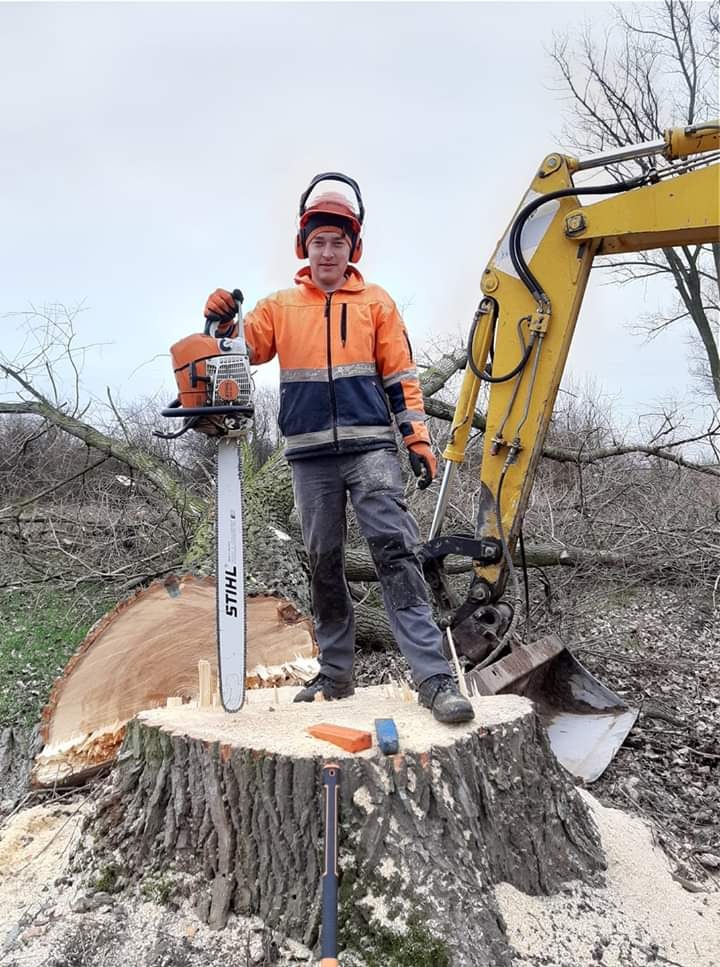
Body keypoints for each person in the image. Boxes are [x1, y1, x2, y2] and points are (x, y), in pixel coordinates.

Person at [203, 173, 474, 724]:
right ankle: (335, 671)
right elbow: (236, 351)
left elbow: (401, 376)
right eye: (319, 241)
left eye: (338, 242)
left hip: (371, 448)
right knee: (323, 561)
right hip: (309, 455)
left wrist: (416, 438)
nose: (328, 252)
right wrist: (217, 323)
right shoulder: (279, 307)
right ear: (304, 247)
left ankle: (434, 676)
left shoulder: (376, 303)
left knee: (396, 553)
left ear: (354, 247)